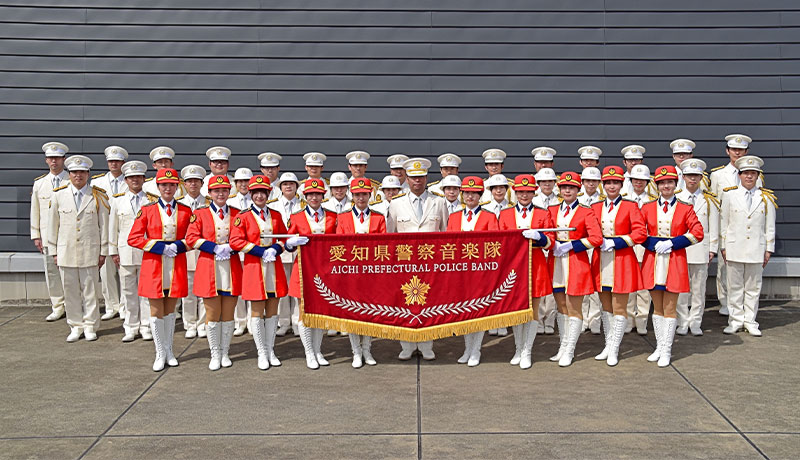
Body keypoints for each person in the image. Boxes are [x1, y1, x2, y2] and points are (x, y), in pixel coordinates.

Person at [230, 175, 302, 370]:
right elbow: (235, 241)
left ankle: (270, 350)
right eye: (256, 193)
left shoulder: (276, 215)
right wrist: (260, 251)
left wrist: (276, 249)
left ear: (268, 194)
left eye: (263, 192)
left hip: (274, 267)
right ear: (251, 194)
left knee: (272, 310)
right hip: (254, 267)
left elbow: (284, 238)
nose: (260, 196)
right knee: (256, 311)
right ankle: (261, 352)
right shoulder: (243, 216)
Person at [128, 168, 192, 372]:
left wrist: (178, 246)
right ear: (158, 187)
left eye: (172, 185)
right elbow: (134, 238)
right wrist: (159, 246)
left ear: (177, 187)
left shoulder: (185, 210)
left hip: (176, 264)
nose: (168, 188)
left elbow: (192, 237)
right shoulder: (147, 210)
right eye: (164, 185)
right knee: (156, 310)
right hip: (154, 265)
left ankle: (169, 350)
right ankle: (159, 353)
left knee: (171, 310)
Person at [641, 166, 704, 367]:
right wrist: (652, 243)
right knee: (657, 307)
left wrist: (673, 243)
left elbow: (698, 232)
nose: (666, 186)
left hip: (674, 260)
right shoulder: (647, 207)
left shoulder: (686, 208)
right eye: (662, 183)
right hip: (653, 261)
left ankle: (667, 350)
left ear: (676, 184)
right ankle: (659, 347)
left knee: (670, 307)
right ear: (657, 186)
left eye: (669, 182)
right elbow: (639, 232)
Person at [386, 158, 449, 361]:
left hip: (431, 264)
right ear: (407, 179)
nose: (417, 181)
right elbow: (390, 235)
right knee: (405, 304)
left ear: (426, 178)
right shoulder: (396, 204)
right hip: (405, 264)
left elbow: (445, 233)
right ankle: (406, 344)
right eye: (413, 178)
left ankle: (427, 344)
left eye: (421, 177)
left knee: (429, 303)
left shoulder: (439, 202)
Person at [47, 155, 110, 342]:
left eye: (82, 172)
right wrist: (54, 252)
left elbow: (104, 226)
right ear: (69, 174)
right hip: (66, 252)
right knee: (70, 292)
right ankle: (75, 326)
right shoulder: (58, 195)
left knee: (90, 291)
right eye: (74, 172)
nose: (78, 176)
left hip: (90, 252)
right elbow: (53, 226)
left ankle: (90, 326)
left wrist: (103, 252)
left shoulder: (97, 196)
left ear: (88, 174)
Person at [590, 166, 647, 366]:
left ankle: (614, 348)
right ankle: (608, 345)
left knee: (619, 306)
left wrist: (617, 242)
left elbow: (640, 233)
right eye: (608, 183)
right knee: (605, 306)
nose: (612, 186)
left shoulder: (631, 206)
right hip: (601, 260)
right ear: (603, 185)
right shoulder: (595, 207)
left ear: (622, 185)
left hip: (622, 259)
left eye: (615, 183)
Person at [186, 175, 244, 370]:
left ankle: (225, 352)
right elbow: (191, 237)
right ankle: (214, 353)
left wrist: (231, 248)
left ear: (229, 192)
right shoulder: (200, 213)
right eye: (216, 191)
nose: (220, 194)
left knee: (228, 312)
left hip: (231, 266)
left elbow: (245, 236)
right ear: (209, 193)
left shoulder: (237, 213)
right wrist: (214, 247)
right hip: (209, 266)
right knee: (211, 312)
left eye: (224, 190)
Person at [499, 174, 555, 369]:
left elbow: (551, 242)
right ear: (515, 193)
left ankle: (527, 351)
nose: (524, 195)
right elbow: (500, 242)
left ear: (534, 193)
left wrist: (539, 237)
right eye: (521, 192)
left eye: (528, 192)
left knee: (533, 311)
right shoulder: (505, 214)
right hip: (513, 268)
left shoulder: (543, 213)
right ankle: (518, 348)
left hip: (535, 265)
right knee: (517, 310)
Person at [548, 171, 603, 367]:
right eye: (564, 187)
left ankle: (570, 350)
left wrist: (573, 245)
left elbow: (596, 238)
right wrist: (551, 243)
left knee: (573, 307)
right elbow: (548, 233)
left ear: (578, 190)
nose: (567, 190)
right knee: (561, 307)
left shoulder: (586, 211)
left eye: (571, 187)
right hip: (556, 261)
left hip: (576, 261)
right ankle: (562, 347)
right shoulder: (552, 209)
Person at [720, 156, 776, 336]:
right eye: (746, 173)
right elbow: (724, 223)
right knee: (734, 287)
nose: (749, 177)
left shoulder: (766, 197)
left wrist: (769, 249)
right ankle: (735, 320)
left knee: (753, 288)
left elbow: (770, 226)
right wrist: (723, 247)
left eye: (753, 173)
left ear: (758, 176)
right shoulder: (729, 195)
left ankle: (750, 321)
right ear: (740, 175)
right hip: (734, 247)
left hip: (756, 249)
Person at [447, 177, 500, 366]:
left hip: (480, 271)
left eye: (474, 193)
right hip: (460, 271)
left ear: (480, 195)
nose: (470, 196)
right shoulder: (454, 217)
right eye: (467, 193)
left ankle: (476, 349)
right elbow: (448, 245)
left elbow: (494, 245)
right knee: (464, 311)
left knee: (478, 311)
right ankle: (467, 348)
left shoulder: (489, 217)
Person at [709, 134, 762, 317]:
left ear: (746, 152)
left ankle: (744, 306)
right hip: (726, 226)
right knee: (724, 266)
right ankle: (725, 302)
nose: (737, 153)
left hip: (746, 228)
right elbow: (713, 204)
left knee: (747, 271)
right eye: (734, 150)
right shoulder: (718, 175)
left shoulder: (756, 175)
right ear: (727, 151)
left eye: (741, 150)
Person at [286, 178, 337, 369]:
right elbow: (288, 243)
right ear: (305, 197)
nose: (314, 198)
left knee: (320, 312)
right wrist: (290, 243)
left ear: (323, 196)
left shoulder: (333, 216)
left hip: (325, 270)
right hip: (303, 269)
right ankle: (309, 352)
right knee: (304, 311)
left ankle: (318, 350)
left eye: (317, 194)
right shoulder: (296, 217)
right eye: (310, 195)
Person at [336, 178, 387, 368]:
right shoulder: (343, 218)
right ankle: (356, 352)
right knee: (353, 312)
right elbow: (339, 245)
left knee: (369, 311)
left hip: (371, 272)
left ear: (370, 195)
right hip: (351, 271)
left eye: (364, 194)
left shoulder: (378, 217)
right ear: (352, 196)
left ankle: (367, 349)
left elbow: (383, 246)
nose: (361, 198)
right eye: (357, 195)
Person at [109, 160, 155, 342]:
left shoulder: (151, 200)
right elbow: (113, 228)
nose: (135, 180)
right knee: (128, 292)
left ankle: (146, 326)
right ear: (125, 180)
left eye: (138, 177)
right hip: (125, 252)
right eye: (131, 177)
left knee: (146, 292)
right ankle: (130, 327)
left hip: (147, 253)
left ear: (144, 179)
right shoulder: (117, 200)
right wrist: (113, 251)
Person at [676, 159, 719, 336]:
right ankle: (682, 321)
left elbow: (713, 226)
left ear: (701, 178)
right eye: (689, 175)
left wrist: (713, 249)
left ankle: (695, 322)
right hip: (680, 249)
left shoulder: (709, 200)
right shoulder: (677, 197)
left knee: (699, 289)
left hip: (701, 250)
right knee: (680, 289)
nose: (692, 179)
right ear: (683, 177)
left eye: (696, 176)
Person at [31, 141, 68, 321]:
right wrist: (36, 235)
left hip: (68, 235)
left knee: (70, 272)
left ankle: (73, 304)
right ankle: (57, 306)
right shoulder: (40, 184)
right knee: (52, 273)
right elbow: (35, 211)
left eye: (57, 158)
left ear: (64, 159)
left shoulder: (72, 180)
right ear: (46, 160)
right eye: (51, 158)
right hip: (47, 236)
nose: (54, 161)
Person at [92, 145, 128, 321]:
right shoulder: (97, 183)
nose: (114, 164)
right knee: (106, 273)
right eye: (111, 161)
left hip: (124, 231)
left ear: (123, 162)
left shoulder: (130, 180)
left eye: (117, 161)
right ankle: (111, 306)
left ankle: (125, 306)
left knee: (125, 271)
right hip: (104, 231)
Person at [268, 172, 303, 337]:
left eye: (291, 184)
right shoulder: (273, 205)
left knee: (297, 290)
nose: (288, 187)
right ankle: (283, 322)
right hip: (280, 252)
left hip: (299, 253)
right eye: (285, 184)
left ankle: (297, 322)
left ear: (296, 187)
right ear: (280, 187)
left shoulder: (303, 204)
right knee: (281, 289)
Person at [624, 164, 658, 335]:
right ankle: (628, 319)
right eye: (635, 180)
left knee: (644, 288)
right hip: (628, 248)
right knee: (629, 286)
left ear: (647, 182)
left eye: (642, 180)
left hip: (646, 248)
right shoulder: (623, 199)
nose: (638, 183)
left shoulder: (653, 200)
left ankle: (642, 320)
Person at [177, 165, 210, 339]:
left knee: (205, 292)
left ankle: (203, 323)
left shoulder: (209, 203)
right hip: (186, 254)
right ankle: (189, 324)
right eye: (189, 181)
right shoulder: (178, 204)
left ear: (202, 183)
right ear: (184, 184)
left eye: (196, 181)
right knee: (188, 293)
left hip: (205, 254)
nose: (193, 184)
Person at [482, 173, 513, 337]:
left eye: (502, 188)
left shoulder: (513, 208)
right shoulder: (484, 209)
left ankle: (503, 322)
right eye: (495, 188)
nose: (499, 191)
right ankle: (491, 321)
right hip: (490, 255)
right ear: (491, 190)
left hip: (509, 255)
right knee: (489, 289)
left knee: (506, 289)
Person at [532, 167, 559, 334]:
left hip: (555, 247)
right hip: (538, 250)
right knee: (539, 286)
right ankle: (539, 319)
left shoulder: (560, 201)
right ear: (538, 184)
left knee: (552, 285)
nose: (547, 184)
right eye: (543, 182)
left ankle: (550, 320)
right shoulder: (533, 200)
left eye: (550, 181)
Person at [228, 168, 254, 336]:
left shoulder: (259, 199)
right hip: (234, 252)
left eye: (246, 182)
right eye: (240, 182)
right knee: (236, 287)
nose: (243, 185)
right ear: (235, 184)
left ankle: (252, 321)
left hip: (253, 252)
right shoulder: (230, 202)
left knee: (252, 287)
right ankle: (240, 321)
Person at [578, 166, 604, 335]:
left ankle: (594, 319)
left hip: (597, 246)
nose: (591, 184)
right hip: (580, 245)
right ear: (582, 182)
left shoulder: (603, 200)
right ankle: (581, 318)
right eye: (588, 181)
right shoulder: (577, 198)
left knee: (596, 283)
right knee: (580, 283)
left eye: (594, 181)